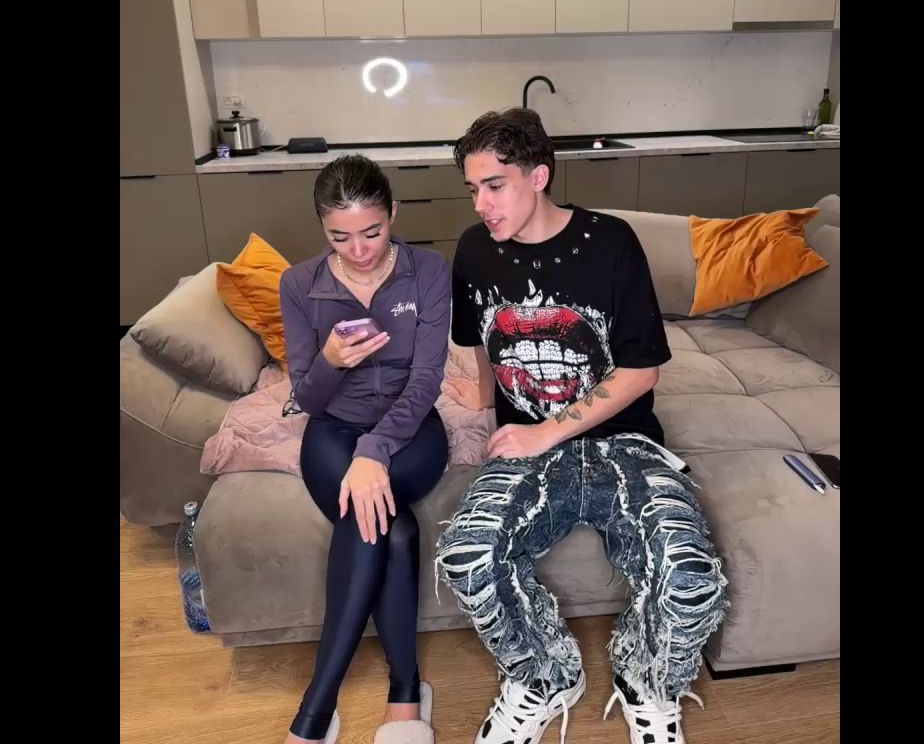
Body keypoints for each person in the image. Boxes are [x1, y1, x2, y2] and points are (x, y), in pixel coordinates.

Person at [436, 109, 727, 744]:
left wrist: (545, 431)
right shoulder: (475, 249)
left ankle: (648, 682)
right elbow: (481, 341)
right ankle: (544, 678)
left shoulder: (611, 242)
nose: (482, 204)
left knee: (689, 574)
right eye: (473, 189)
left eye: (495, 186)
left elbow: (641, 370)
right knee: (467, 555)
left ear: (538, 176)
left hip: (624, 441)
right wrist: (484, 404)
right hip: (527, 451)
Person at [279, 154, 451, 744]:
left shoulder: (428, 271)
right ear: (322, 229)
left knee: (368, 512)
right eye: (340, 237)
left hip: (411, 431)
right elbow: (306, 397)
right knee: (391, 531)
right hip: (332, 431)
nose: (359, 250)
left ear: (393, 213)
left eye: (372, 232)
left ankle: (313, 715)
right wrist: (330, 361)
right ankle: (405, 693)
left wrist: (375, 451)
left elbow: (426, 380)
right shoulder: (300, 285)